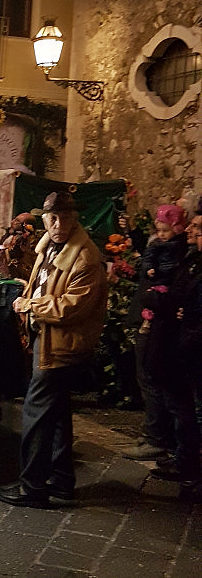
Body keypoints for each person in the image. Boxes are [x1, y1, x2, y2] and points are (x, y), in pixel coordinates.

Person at [0, 191, 108, 508]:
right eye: (51, 217)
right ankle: (61, 481)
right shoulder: (48, 244)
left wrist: (30, 304)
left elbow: (70, 308)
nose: (57, 223)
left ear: (74, 219)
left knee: (36, 412)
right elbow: (42, 282)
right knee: (57, 412)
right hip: (47, 339)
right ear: (44, 218)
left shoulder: (85, 257)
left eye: (63, 217)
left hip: (61, 346)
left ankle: (33, 486)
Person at [122, 204, 188, 461]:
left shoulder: (176, 252)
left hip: (156, 321)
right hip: (150, 317)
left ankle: (156, 437)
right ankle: (155, 433)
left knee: (151, 378)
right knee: (147, 377)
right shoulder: (165, 248)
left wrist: (151, 307)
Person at [146, 209, 202, 500]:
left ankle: (193, 473)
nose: (191, 231)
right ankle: (185, 463)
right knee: (182, 408)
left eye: (198, 228)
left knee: (193, 411)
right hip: (183, 345)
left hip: (193, 346)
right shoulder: (192, 259)